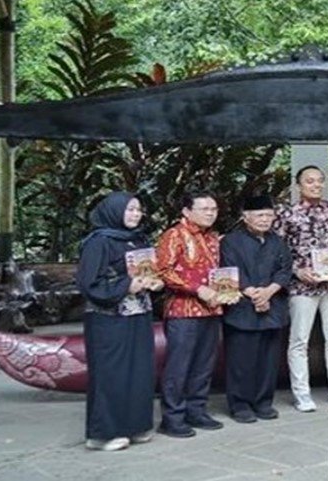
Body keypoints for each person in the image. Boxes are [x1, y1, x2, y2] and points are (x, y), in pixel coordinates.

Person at [75, 192, 160, 451]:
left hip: (138, 315)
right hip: (108, 320)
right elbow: (89, 284)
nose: (135, 215)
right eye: (130, 210)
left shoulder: (138, 239)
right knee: (111, 374)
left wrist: (153, 282)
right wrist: (127, 285)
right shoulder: (98, 242)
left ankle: (135, 426)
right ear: (114, 211)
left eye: (138, 210)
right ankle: (103, 434)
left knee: (140, 372)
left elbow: (146, 273)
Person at [274, 165, 328, 411]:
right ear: (298, 185)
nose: (315, 185)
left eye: (319, 181)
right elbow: (277, 250)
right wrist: (297, 271)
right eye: (309, 181)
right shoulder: (287, 213)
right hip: (303, 285)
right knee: (299, 341)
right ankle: (301, 393)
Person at [155, 191, 223, 438]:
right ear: (186, 211)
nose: (210, 213)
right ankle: (172, 417)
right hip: (183, 311)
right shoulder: (174, 235)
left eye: (213, 209)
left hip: (212, 309)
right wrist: (197, 288)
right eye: (204, 208)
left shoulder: (213, 238)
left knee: (204, 365)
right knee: (179, 366)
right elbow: (164, 271)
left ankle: (197, 410)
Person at [220, 195, 291, 423]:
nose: (265, 220)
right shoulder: (230, 241)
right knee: (242, 360)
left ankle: (263, 402)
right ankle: (240, 405)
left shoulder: (277, 241)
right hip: (242, 307)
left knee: (268, 360)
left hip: (272, 307)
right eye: (259, 215)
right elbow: (230, 269)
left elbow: (285, 269)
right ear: (245, 217)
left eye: (269, 215)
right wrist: (253, 293)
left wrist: (269, 291)